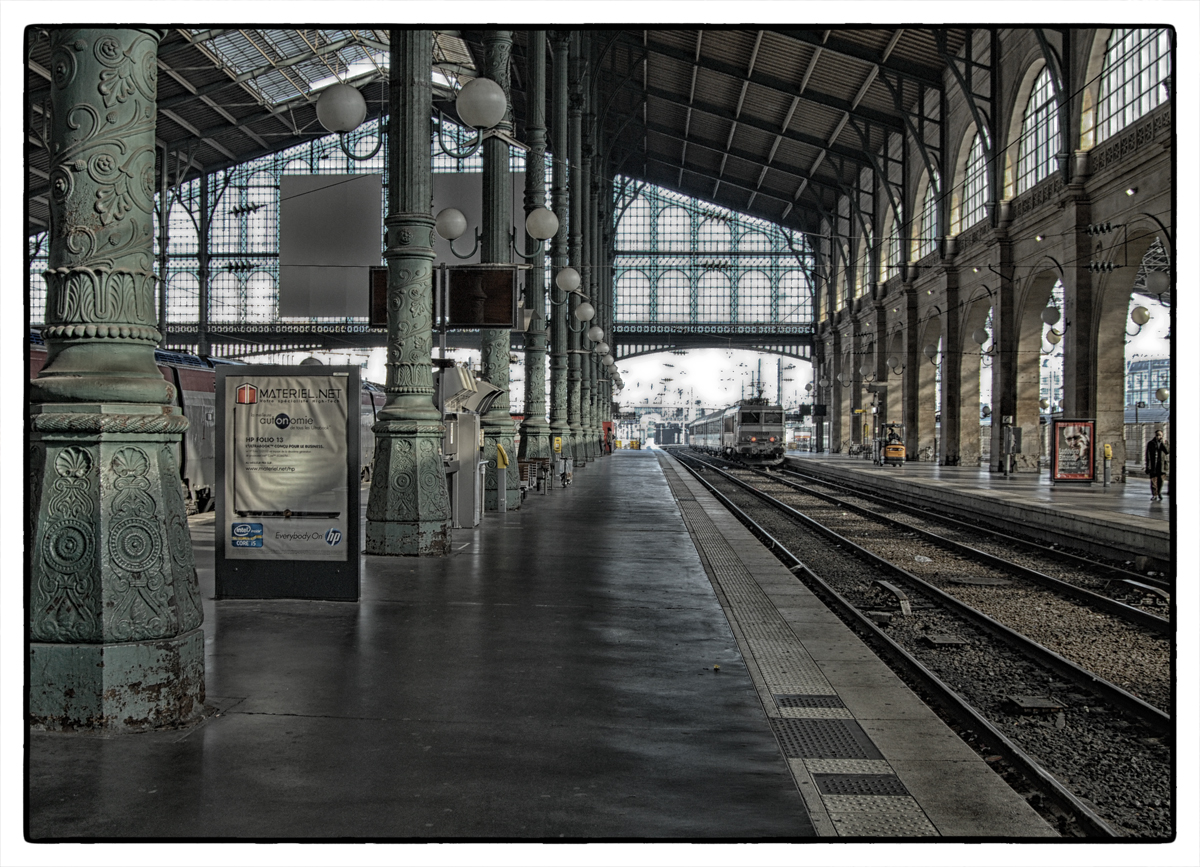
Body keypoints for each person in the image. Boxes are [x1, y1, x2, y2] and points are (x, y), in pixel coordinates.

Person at [1144, 429, 1169, 502]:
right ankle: (1154, 495)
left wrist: (1162, 443)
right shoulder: (1151, 443)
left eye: (1160, 435)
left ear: (1162, 436)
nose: (1158, 436)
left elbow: (1167, 451)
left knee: (1161, 480)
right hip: (1153, 465)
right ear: (1155, 435)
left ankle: (1159, 492)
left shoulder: (1165, 442)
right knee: (1153, 481)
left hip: (1162, 465)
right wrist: (1147, 466)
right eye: (1157, 435)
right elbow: (1147, 455)